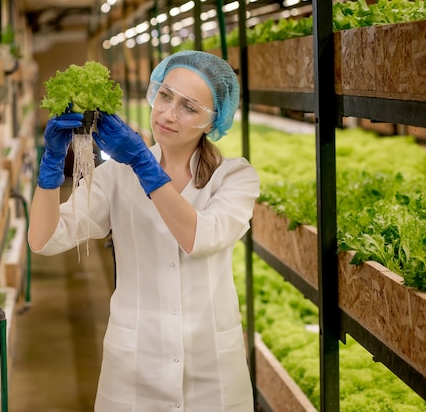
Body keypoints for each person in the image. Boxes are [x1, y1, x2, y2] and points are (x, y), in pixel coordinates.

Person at [29, 50, 260, 412]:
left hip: (211, 371)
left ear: (211, 122)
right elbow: (44, 240)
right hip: (134, 367)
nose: (168, 114)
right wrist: (50, 168)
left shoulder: (234, 177)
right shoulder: (115, 176)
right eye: (165, 96)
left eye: (189, 107)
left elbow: (198, 238)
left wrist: (142, 163)